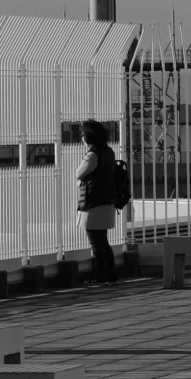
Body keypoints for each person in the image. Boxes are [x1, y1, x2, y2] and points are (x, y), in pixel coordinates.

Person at [77, 117, 120, 283]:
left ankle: (101, 276)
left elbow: (78, 173)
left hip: (94, 205)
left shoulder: (93, 155)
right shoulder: (108, 151)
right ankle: (111, 274)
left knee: (96, 244)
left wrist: (87, 152)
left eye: (82, 134)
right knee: (104, 242)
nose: (81, 137)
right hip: (107, 203)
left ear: (89, 137)